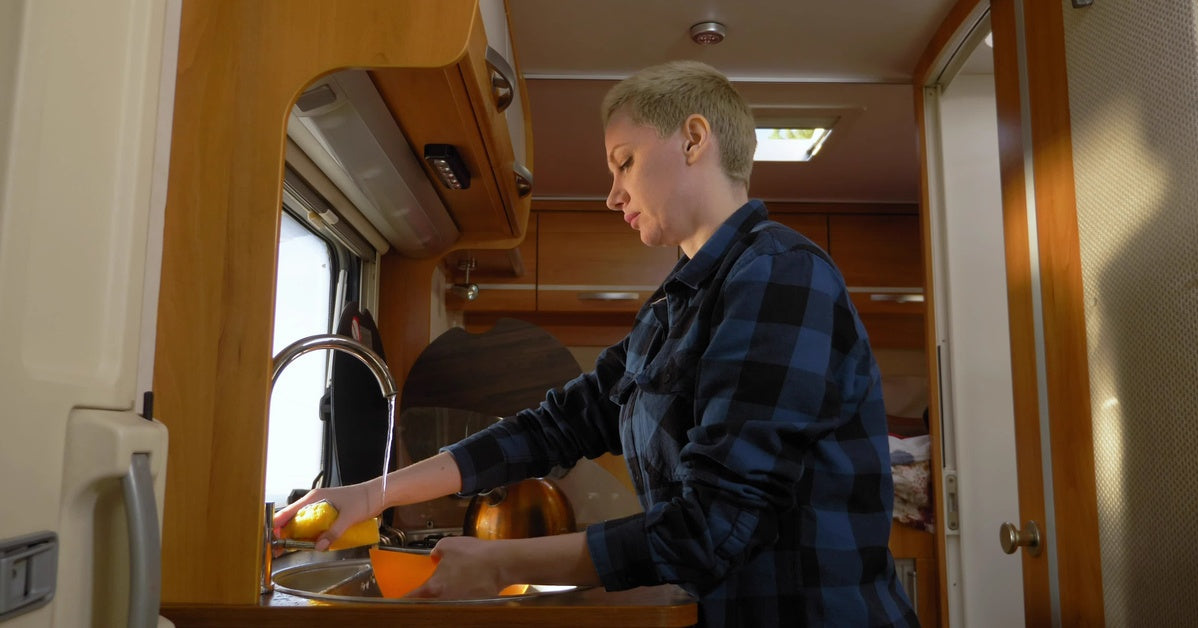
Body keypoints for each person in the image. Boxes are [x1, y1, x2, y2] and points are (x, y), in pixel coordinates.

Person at [275, 59, 918, 627]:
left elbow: (713, 525)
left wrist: (500, 565)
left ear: (693, 139)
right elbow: (558, 426)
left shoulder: (781, 273)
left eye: (624, 162)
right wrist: (371, 493)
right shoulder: (674, 305)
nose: (613, 195)